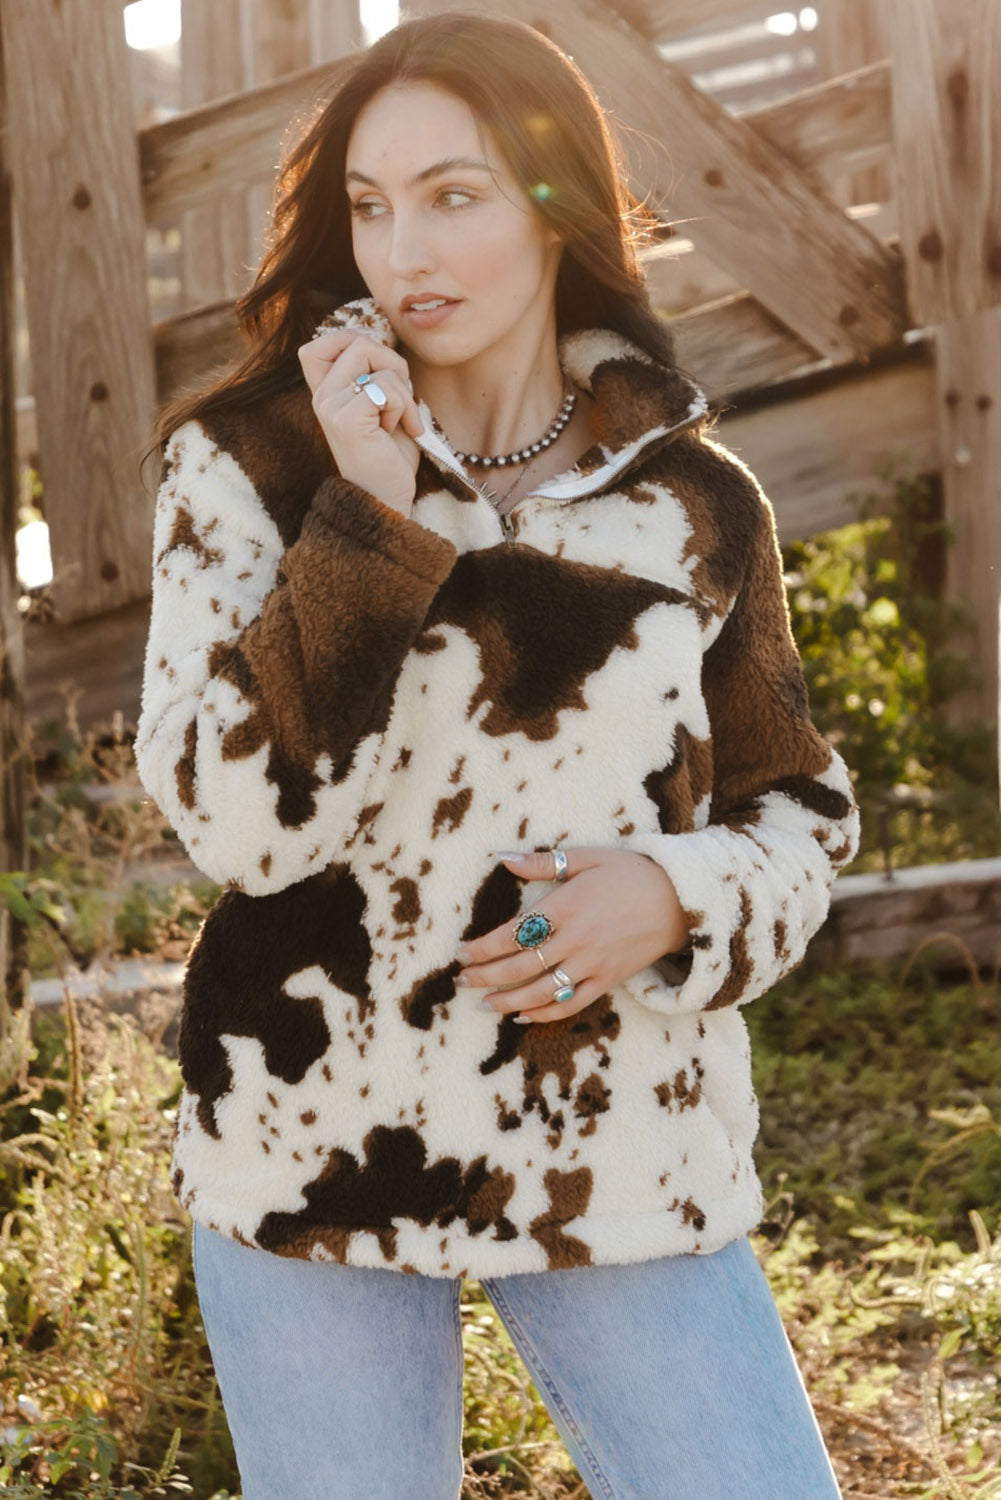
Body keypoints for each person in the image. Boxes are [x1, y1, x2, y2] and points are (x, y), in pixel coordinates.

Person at [134, 12, 859, 1498]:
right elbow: (237, 827)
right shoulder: (248, 469)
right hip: (313, 1154)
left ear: (553, 208)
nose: (406, 250)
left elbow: (797, 812)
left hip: (617, 1150)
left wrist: (671, 895)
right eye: (372, 204)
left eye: (455, 194)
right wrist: (374, 516)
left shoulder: (690, 503)